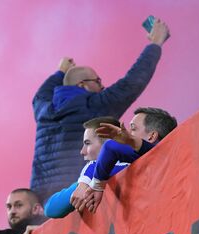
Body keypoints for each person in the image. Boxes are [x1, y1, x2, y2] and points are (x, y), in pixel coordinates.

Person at [30, 18, 171, 202]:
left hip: (42, 201)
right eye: (98, 82)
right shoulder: (93, 106)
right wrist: (155, 44)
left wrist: (60, 71)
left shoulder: (44, 111)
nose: (102, 87)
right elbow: (131, 83)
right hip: (81, 194)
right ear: (83, 85)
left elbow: (39, 96)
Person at [70, 107, 177, 213]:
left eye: (133, 129)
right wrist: (87, 184)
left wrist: (92, 184)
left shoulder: (168, 157)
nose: (127, 133)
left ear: (152, 136)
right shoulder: (131, 162)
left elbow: (110, 146)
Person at [44, 117, 129, 218]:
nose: (82, 151)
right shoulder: (89, 180)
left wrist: (86, 180)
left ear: (109, 144)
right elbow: (51, 209)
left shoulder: (131, 164)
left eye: (87, 143)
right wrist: (81, 185)